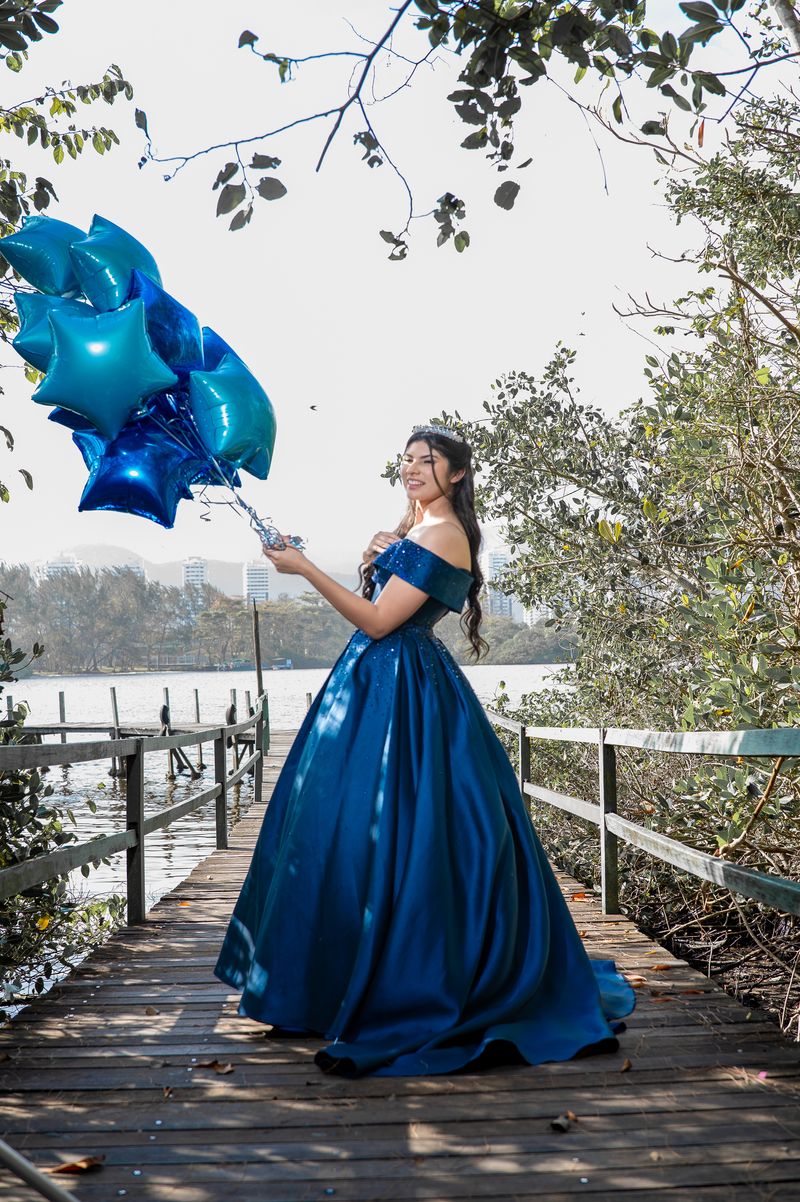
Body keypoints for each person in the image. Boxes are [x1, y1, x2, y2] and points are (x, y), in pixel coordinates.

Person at [214, 423, 635, 1076]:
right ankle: (332, 984)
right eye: (406, 460)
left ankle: (405, 982)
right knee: (350, 828)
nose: (412, 469)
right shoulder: (416, 527)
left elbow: (380, 621)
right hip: (378, 684)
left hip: (403, 689)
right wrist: (372, 555)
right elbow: (384, 605)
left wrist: (304, 570)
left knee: (407, 830)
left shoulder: (443, 533)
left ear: (457, 473)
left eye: (427, 461)